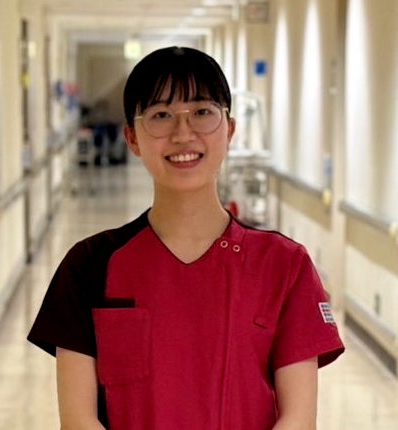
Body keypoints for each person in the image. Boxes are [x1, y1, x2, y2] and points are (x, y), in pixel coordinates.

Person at [28, 46, 344, 430]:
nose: (183, 133)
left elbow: (298, 419)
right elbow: (79, 421)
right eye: (161, 115)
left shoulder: (284, 266)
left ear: (229, 130)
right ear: (132, 138)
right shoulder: (89, 266)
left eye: (202, 112)